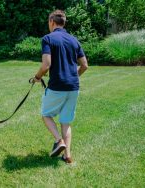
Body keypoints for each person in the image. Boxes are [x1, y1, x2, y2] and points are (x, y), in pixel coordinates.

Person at [32, 10, 88, 164]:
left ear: (52, 21)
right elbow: (84, 66)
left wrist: (37, 77)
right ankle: (67, 156)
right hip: (73, 87)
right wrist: (73, 77)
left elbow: (46, 65)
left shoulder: (48, 39)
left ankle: (59, 141)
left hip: (57, 86)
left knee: (46, 114)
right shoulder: (74, 40)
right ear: (63, 23)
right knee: (66, 121)